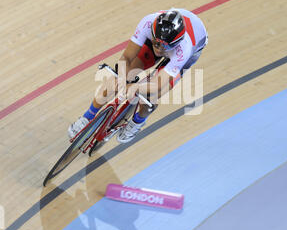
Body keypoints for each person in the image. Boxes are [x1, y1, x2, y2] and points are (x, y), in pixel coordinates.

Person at [68, 8, 208, 143]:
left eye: (164, 47)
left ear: (176, 44)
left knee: (151, 95)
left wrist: (134, 87)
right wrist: (122, 79)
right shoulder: (147, 23)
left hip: (191, 49)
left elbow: (157, 85)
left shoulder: (184, 50)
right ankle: (87, 117)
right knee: (121, 75)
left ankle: (138, 121)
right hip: (167, 40)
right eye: (156, 43)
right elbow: (126, 57)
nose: (159, 50)